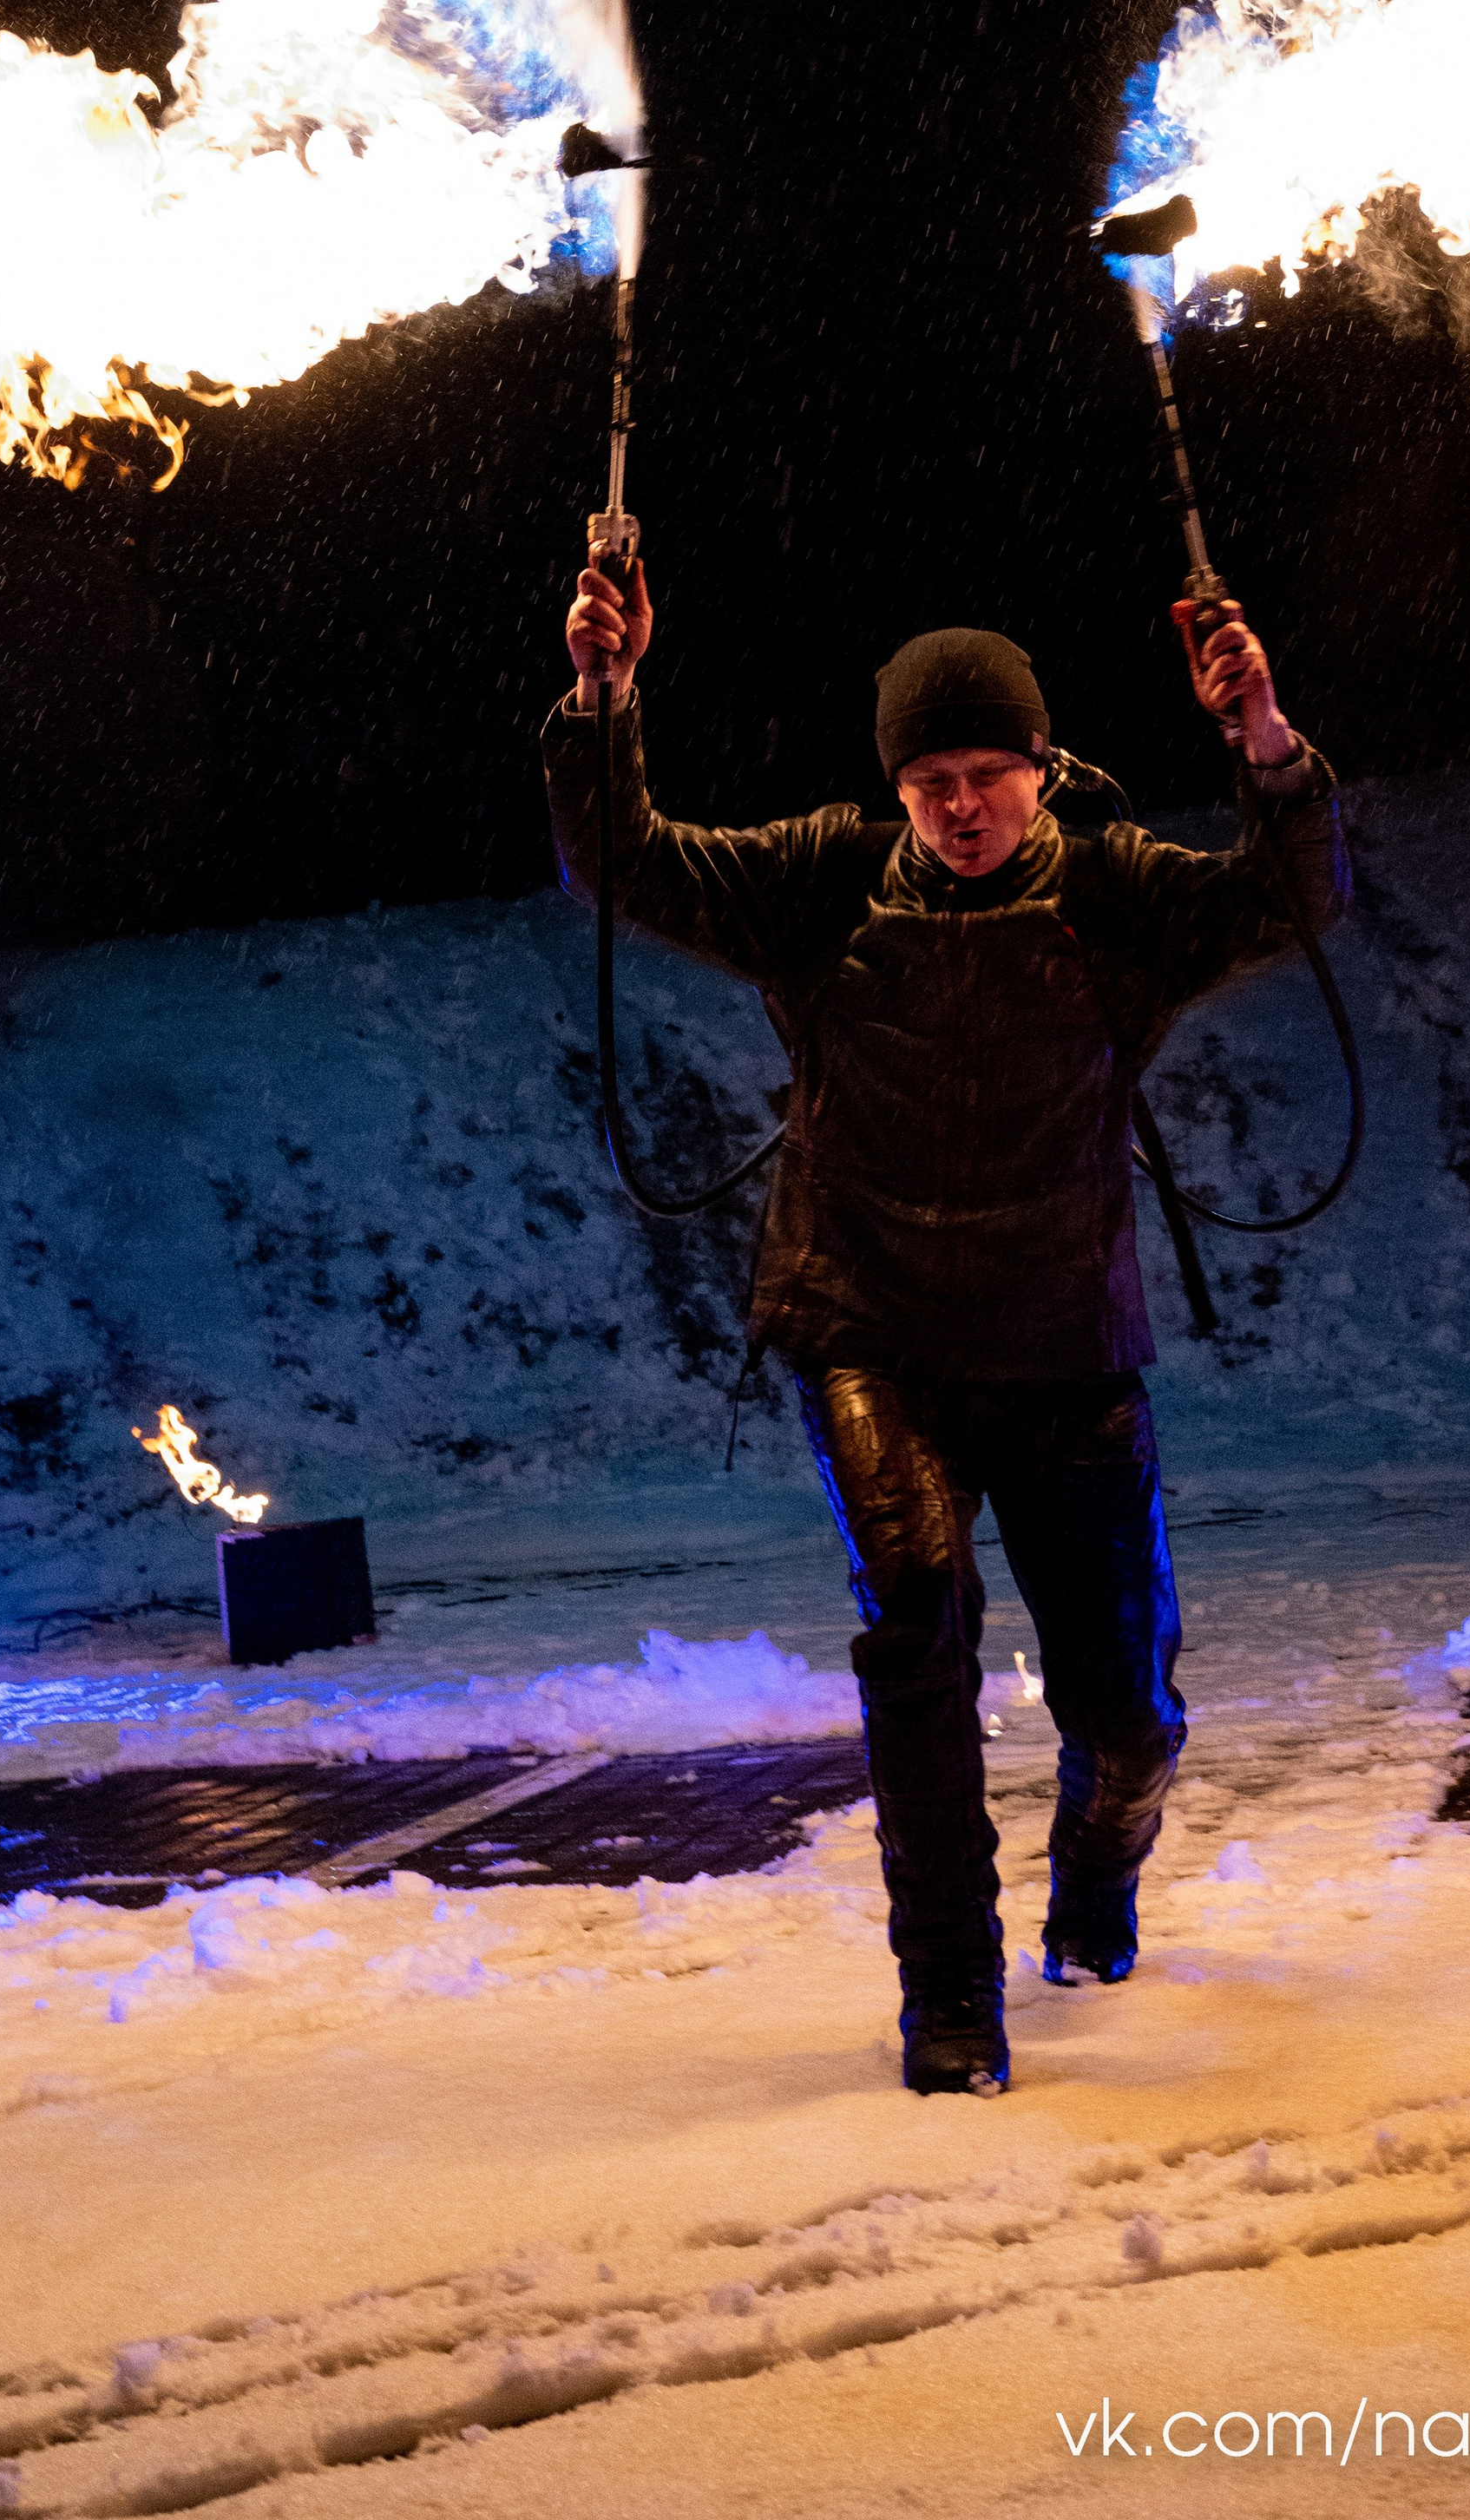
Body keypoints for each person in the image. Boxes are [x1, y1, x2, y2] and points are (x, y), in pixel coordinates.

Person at [544, 555, 1349, 2097]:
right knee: (917, 1629)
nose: (960, 807)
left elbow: (1294, 897)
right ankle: (951, 1999)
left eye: (986, 775)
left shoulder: (1115, 895)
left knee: (1128, 1717)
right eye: (929, 782)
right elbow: (622, 863)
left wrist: (1261, 737)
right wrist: (604, 700)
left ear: (1040, 767)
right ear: (897, 787)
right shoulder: (823, 883)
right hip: (872, 1330)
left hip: (1066, 1348)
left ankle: (1099, 1868)